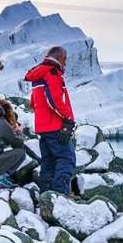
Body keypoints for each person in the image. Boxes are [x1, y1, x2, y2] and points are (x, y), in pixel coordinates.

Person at [24, 46, 76, 195]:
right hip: (55, 126)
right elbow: (54, 100)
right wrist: (68, 120)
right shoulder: (52, 73)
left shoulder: (39, 74)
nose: (65, 64)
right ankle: (60, 196)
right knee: (67, 158)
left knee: (49, 163)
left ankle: (46, 196)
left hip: (43, 127)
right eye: (65, 60)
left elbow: (34, 103)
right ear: (59, 58)